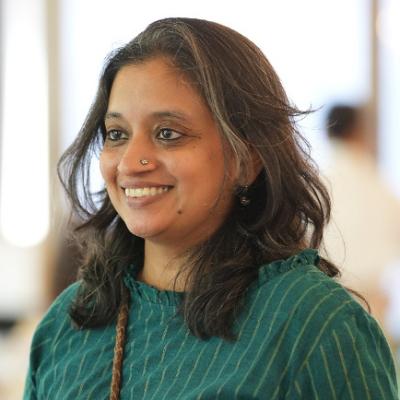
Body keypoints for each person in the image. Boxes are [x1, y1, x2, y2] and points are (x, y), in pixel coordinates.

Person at [24, 18, 398, 399]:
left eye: (168, 133)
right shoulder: (67, 326)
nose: (131, 162)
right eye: (117, 134)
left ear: (247, 159)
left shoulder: (315, 325)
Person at [323, 104, 400, 338]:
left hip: (324, 301)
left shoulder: (316, 185)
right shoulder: (379, 186)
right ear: (359, 131)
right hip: (371, 303)